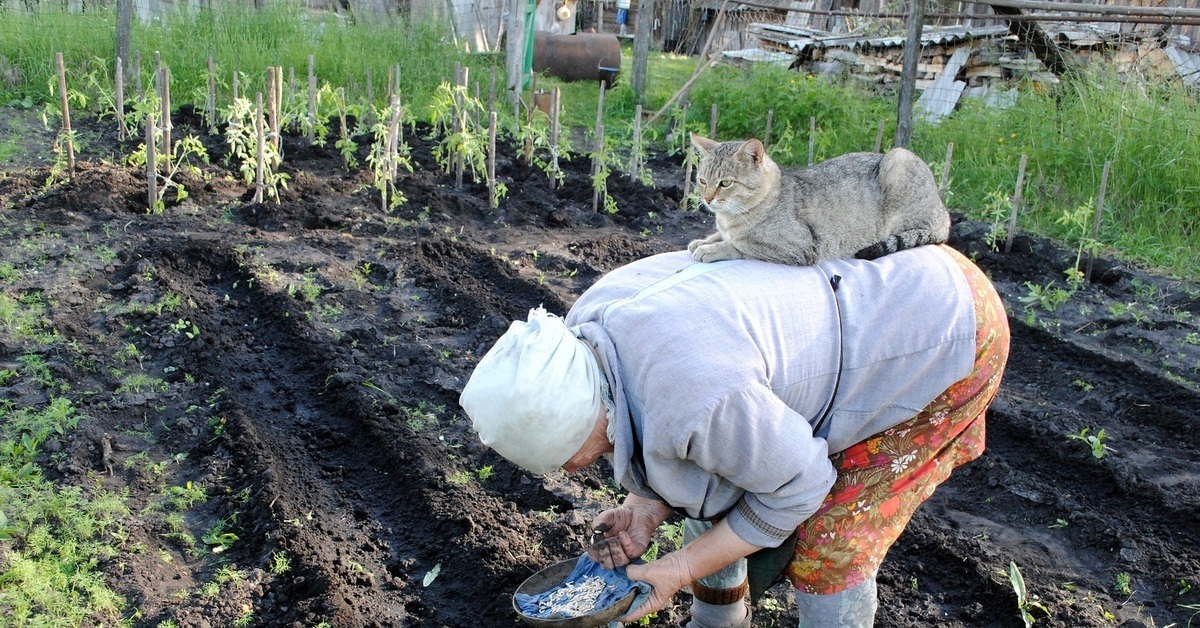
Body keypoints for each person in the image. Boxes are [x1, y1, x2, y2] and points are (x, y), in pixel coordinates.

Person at [459, 244, 1009, 628]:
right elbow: (677, 429)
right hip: (863, 302)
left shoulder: (700, 399)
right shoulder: (590, 332)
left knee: (832, 539)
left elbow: (798, 483)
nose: (571, 472)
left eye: (566, 457)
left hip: (941, 326)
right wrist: (645, 509)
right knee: (723, 473)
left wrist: (676, 570)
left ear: (578, 417)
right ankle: (717, 621)